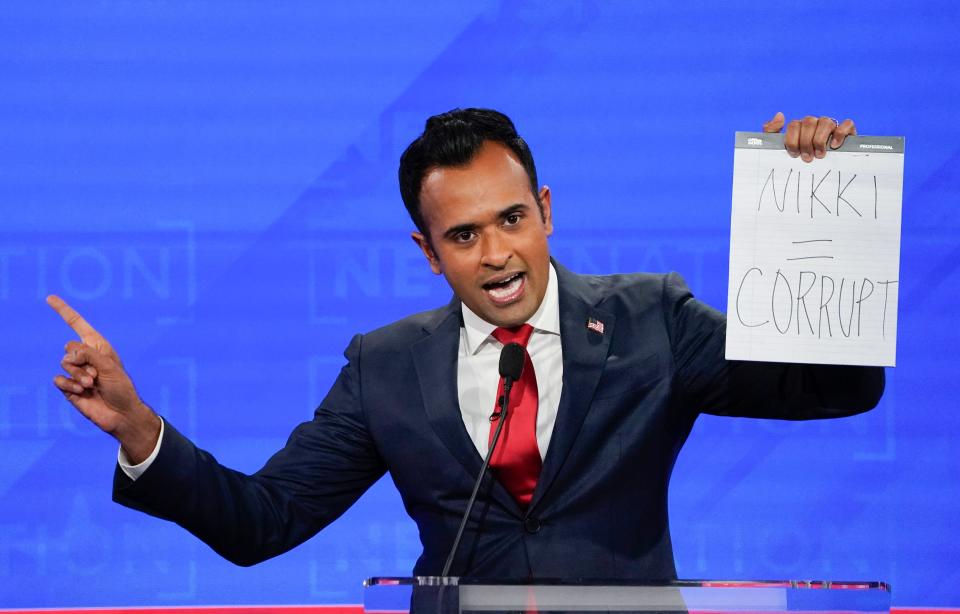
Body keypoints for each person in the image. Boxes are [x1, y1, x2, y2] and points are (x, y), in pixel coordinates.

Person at [49, 109, 882, 580]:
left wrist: (812, 214)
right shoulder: (386, 366)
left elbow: (833, 389)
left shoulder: (650, 321)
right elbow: (262, 522)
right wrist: (138, 430)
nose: (496, 255)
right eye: (464, 234)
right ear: (427, 251)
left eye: (513, 220)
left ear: (546, 210)